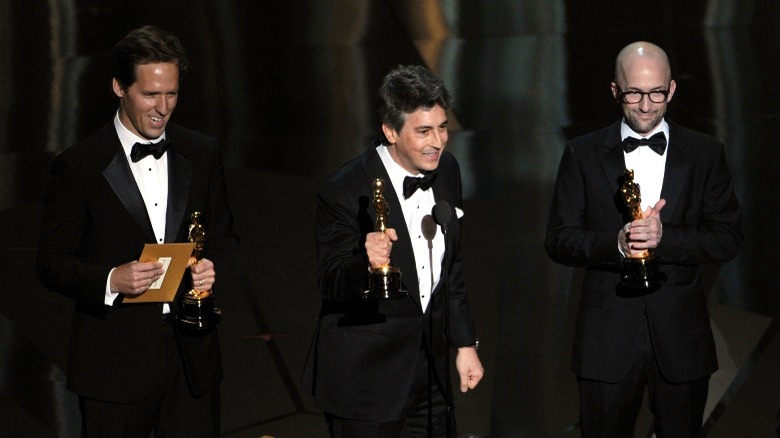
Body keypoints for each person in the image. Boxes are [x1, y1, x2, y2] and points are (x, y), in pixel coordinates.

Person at [36, 25, 238, 437]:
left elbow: (224, 237)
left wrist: (213, 268)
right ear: (119, 87)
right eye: (150, 94)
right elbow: (51, 262)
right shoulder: (80, 165)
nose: (163, 108)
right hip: (114, 367)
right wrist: (112, 279)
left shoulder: (201, 152)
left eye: (172, 94)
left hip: (191, 363)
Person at [545, 41, 742, 437]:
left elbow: (727, 239)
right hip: (606, 341)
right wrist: (616, 244)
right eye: (635, 93)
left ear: (671, 90)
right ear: (616, 91)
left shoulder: (704, 153)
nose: (647, 105)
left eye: (656, 93)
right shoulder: (582, 154)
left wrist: (665, 238)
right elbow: (560, 240)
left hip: (682, 342)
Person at [302, 64, 484, 437]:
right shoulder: (344, 188)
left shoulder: (446, 170)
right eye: (423, 131)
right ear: (390, 131)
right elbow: (331, 282)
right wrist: (364, 263)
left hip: (430, 376)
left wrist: (465, 342)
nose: (438, 141)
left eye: (442, 127)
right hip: (366, 383)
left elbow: (451, 266)